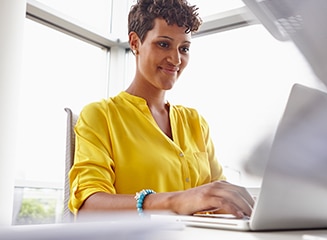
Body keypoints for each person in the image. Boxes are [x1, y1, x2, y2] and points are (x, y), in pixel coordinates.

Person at [68, 0, 254, 219]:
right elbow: (88, 206)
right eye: (164, 44)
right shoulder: (100, 115)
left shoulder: (195, 122)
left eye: (184, 48)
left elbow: (216, 197)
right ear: (135, 43)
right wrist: (177, 201)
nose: (176, 59)